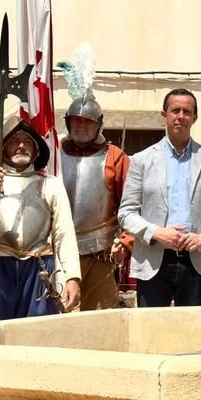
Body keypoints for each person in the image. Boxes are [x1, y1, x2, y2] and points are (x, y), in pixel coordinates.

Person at [117, 89, 201, 307]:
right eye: (175, 110)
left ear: (194, 118)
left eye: (187, 111)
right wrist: (156, 233)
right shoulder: (141, 160)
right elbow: (126, 213)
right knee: (151, 333)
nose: (181, 116)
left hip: (196, 262)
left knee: (192, 333)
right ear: (164, 114)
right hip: (153, 261)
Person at [0, 115, 81, 321]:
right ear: (2, 149)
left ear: (36, 149)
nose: (21, 146)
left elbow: (64, 234)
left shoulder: (51, 185)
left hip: (38, 271)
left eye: (27, 141)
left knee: (35, 336)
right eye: (13, 141)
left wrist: (72, 277)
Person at [59, 89, 134, 311]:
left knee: (99, 320)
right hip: (57, 253)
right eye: (76, 121)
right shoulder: (53, 153)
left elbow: (131, 204)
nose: (81, 126)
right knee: (56, 318)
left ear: (99, 124)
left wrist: (126, 241)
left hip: (99, 255)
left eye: (87, 122)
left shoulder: (116, 157)